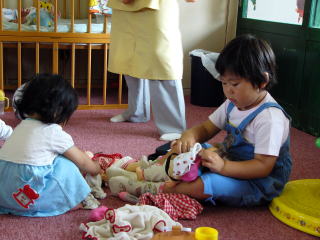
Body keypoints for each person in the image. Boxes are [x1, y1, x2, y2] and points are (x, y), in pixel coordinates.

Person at [108, 34, 292, 207]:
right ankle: (145, 171)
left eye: (234, 84)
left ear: (262, 81)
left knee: (208, 183)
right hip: (229, 160)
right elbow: (206, 129)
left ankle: (152, 188)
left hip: (258, 182)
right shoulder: (232, 103)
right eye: (224, 83)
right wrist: (189, 136)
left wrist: (224, 166)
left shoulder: (270, 119)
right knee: (189, 150)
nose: (228, 90)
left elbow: (262, 167)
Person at [0, 74, 101, 217]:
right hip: (27, 200)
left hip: (4, 196)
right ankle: (70, 201)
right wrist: (97, 167)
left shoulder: (21, 127)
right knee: (65, 163)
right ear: (58, 111)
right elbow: (83, 162)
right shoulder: (53, 132)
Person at [107, 0, 197, 141]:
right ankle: (136, 112)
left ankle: (173, 126)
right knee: (128, 54)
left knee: (162, 60)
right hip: (123, 6)